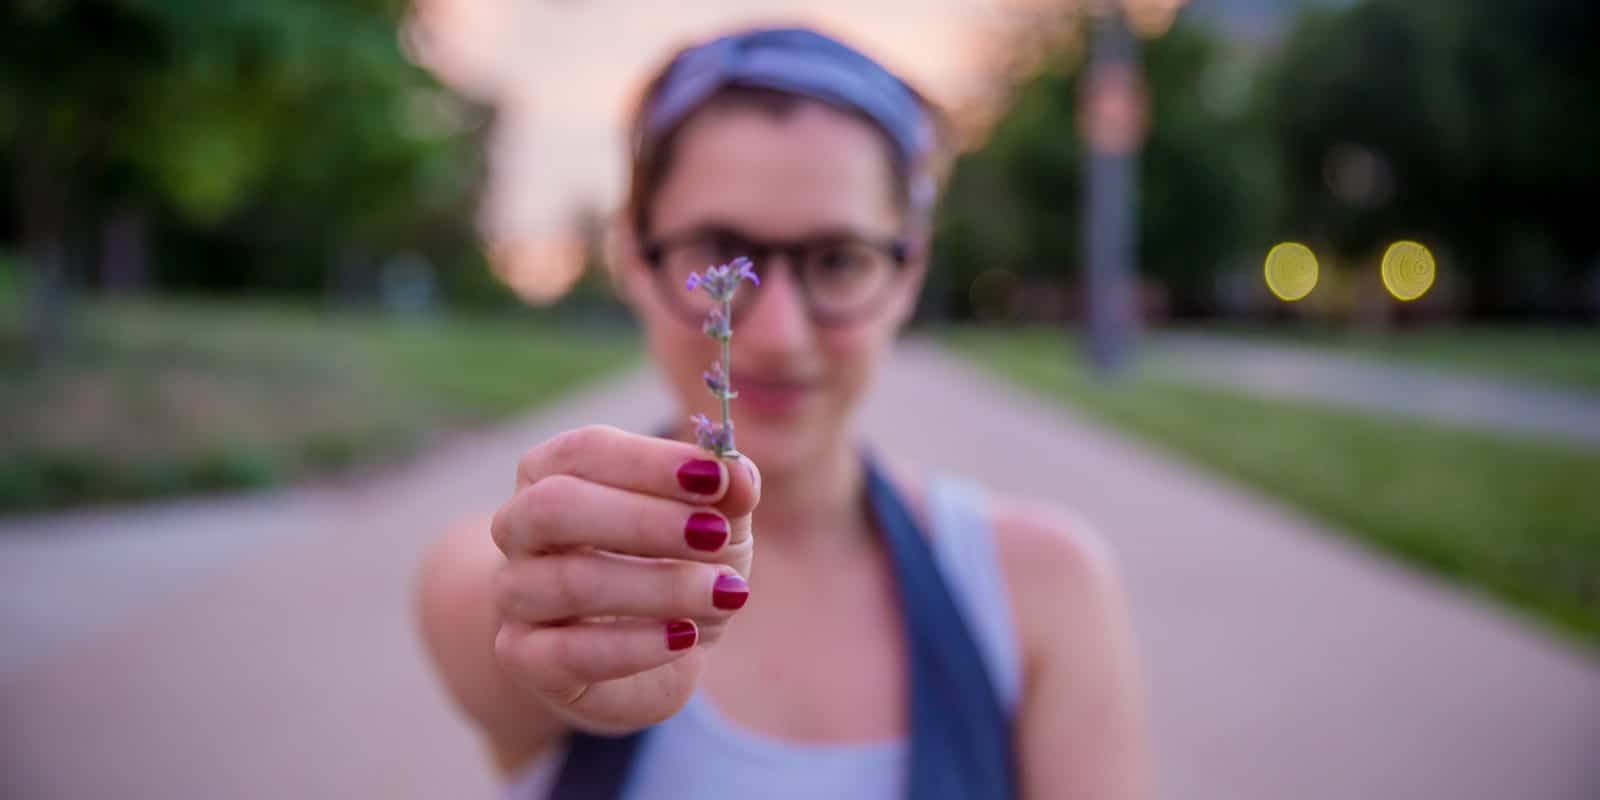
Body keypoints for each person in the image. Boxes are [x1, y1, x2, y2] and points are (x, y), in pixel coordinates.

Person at [416, 25, 1151, 799]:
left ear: (909, 271)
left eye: (837, 261)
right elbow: (482, 604)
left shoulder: (1042, 591)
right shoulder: (536, 569)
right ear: (634, 252)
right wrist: (549, 626)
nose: (774, 335)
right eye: (721, 253)